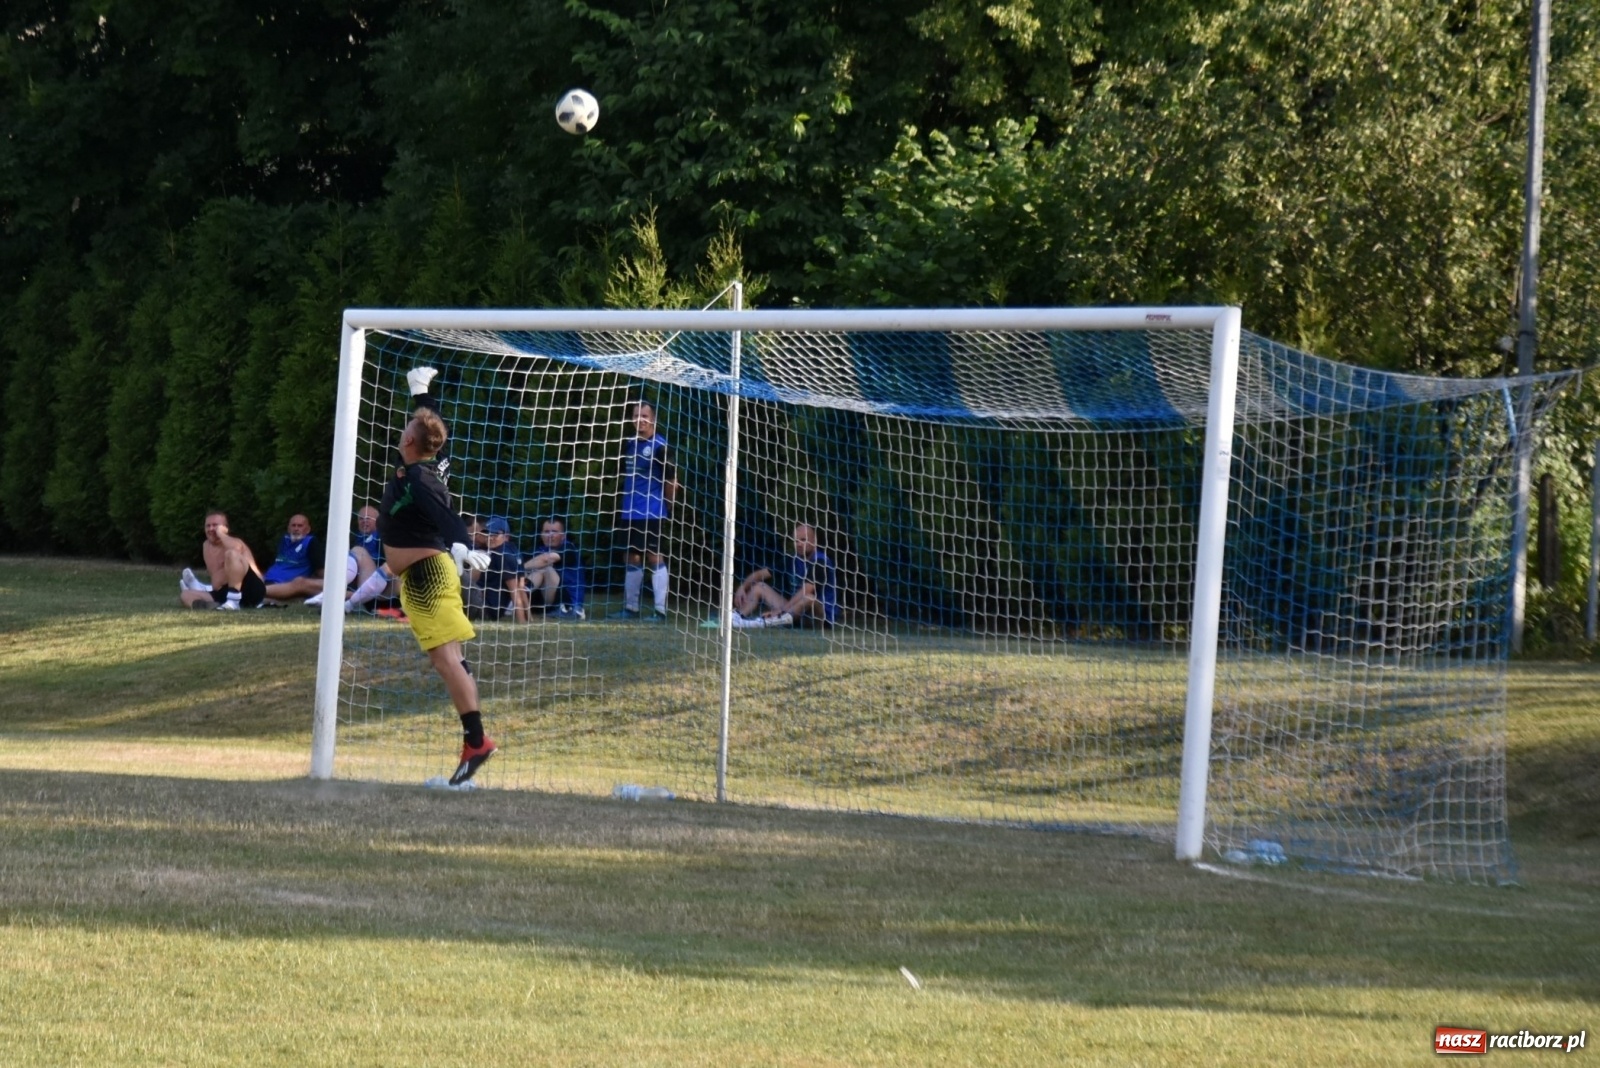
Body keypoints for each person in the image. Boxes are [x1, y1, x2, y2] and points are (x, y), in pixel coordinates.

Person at [379, 406, 497, 786]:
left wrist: (461, 545)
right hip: (424, 575)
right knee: (452, 661)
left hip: (428, 575)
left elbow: (446, 513)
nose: (402, 431)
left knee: (446, 660)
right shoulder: (427, 464)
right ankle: (474, 745)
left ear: (410, 440)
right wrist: (423, 394)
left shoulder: (419, 477)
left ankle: (476, 743)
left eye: (406, 428)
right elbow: (436, 433)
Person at [612, 400, 678, 622]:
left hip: (652, 512)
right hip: (629, 512)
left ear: (653, 419)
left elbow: (671, 480)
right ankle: (631, 609)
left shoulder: (661, 446)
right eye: (636, 415)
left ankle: (660, 611)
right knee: (631, 556)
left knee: (654, 557)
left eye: (645, 415)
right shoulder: (629, 444)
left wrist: (668, 504)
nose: (640, 420)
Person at [729, 522, 839, 628]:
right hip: (793, 612)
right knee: (760, 587)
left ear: (814, 541)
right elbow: (760, 574)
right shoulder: (792, 560)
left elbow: (807, 590)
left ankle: (767, 622)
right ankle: (737, 618)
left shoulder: (820, 561)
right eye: (796, 541)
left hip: (819, 617)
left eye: (803, 540)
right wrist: (742, 587)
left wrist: (782, 610)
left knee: (809, 598)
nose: (799, 544)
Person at [304, 505, 394, 613]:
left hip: (382, 588)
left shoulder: (383, 537)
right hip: (360, 586)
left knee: (359, 551)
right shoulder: (356, 538)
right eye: (361, 519)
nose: (364, 521)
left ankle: (331, 595)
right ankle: (335, 598)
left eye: (368, 518)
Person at [178, 511, 269, 610]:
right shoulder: (206, 546)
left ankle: (233, 601)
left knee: (231, 554)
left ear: (225, 528)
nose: (211, 529)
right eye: (208, 526)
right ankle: (210, 607)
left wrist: (221, 534)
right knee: (185, 595)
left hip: (251, 588)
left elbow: (237, 549)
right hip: (223, 593)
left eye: (215, 525)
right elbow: (216, 580)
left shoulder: (234, 542)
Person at [463, 516, 529, 622]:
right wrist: (529, 618)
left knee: (460, 579)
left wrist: (522, 622)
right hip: (489, 607)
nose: (490, 538)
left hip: (487, 611)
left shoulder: (501, 555)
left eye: (495, 534)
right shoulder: (513, 550)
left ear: (506, 536)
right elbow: (521, 587)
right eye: (488, 534)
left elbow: (515, 590)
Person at [523, 516, 587, 620]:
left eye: (554, 532)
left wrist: (520, 568)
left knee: (545, 568)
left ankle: (519, 596)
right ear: (541, 534)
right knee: (524, 572)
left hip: (567, 601)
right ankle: (518, 597)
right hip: (544, 600)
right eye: (546, 532)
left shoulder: (569, 549)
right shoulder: (537, 550)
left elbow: (546, 559)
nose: (550, 535)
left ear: (563, 536)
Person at [258, 513, 324, 602]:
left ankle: (254, 592)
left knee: (256, 592)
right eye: (293, 526)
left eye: (300, 526)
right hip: (267, 580)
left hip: (286, 585)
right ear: (288, 528)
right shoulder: (284, 540)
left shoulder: (311, 542)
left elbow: (320, 570)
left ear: (308, 529)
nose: (296, 529)